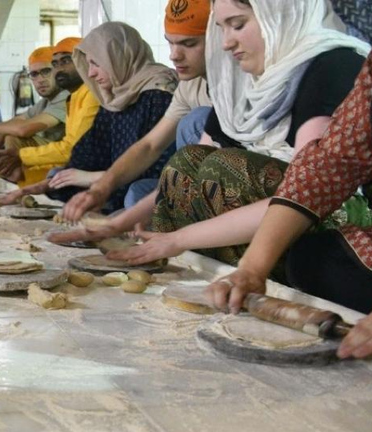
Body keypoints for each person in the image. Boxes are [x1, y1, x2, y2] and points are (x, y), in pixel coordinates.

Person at [58, 0, 370, 270]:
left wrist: (178, 240)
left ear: (281, 13)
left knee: (221, 168)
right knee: (188, 160)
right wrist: (117, 223)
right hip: (270, 216)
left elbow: (310, 190)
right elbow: (183, 171)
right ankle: (201, 273)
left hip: (325, 220)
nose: (225, 43)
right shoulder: (242, 84)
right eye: (220, 28)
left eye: (238, 25)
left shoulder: (333, 65)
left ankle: (255, 270)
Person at [207, 51, 372, 359]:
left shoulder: (332, 63)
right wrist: (252, 268)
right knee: (312, 258)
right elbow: (332, 163)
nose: (228, 43)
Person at [56, 0, 212, 224]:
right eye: (170, 44)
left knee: (197, 121)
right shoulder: (189, 85)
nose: (174, 56)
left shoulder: (160, 91)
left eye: (189, 43)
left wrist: (110, 203)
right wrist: (100, 189)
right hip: (187, 184)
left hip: (218, 188)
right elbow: (150, 145)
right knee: (64, 179)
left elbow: (168, 168)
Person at [3, 22, 177, 213]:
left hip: (147, 190)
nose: (91, 73)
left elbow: (158, 168)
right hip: (113, 182)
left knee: (137, 193)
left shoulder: (160, 93)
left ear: (118, 57)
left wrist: (90, 178)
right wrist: (48, 183)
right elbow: (90, 151)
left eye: (96, 63)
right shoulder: (113, 97)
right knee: (59, 175)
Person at [0, 37, 100, 186]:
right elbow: (14, 125)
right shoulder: (73, 96)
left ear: (86, 62)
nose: (59, 69)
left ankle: (22, 177)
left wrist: (18, 155)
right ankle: (21, 177)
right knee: (12, 140)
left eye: (66, 61)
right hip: (71, 161)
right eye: (55, 64)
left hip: (89, 167)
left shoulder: (89, 93)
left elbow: (71, 149)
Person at [0, 46, 69, 187]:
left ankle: (24, 179)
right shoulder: (45, 102)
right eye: (34, 74)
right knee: (9, 134)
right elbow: (10, 125)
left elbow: (24, 129)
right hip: (48, 161)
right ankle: (21, 179)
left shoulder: (66, 96)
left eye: (46, 71)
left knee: (14, 135)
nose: (40, 79)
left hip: (68, 161)